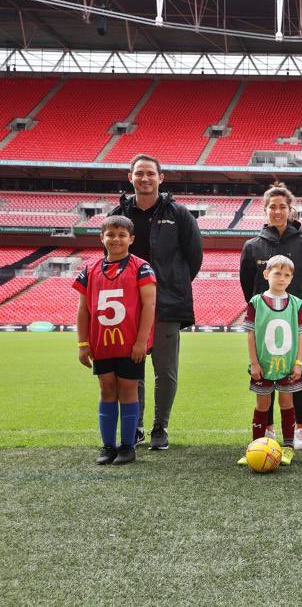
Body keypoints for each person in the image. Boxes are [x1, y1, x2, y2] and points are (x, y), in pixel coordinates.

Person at [109, 154, 202, 451]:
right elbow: (110, 254)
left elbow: (194, 257)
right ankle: (134, 426)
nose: (145, 178)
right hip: (127, 305)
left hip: (167, 303)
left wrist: (172, 284)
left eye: (150, 173)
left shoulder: (179, 214)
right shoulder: (119, 213)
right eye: (139, 174)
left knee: (165, 370)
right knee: (131, 369)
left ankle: (160, 427)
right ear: (130, 177)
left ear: (161, 178)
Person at [240, 183, 302, 450]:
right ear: (265, 210)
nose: (277, 211)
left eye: (282, 206)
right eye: (272, 206)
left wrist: (294, 312)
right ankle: (269, 430)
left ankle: (299, 430)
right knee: (266, 377)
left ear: (290, 209)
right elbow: (247, 286)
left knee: (296, 375)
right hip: (265, 325)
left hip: (295, 323)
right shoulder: (252, 247)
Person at [74, 216, 157, 466]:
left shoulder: (142, 267)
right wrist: (82, 343)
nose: (116, 239)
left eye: (122, 235)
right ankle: (108, 445)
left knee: (128, 390)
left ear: (131, 239)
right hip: (101, 344)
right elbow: (83, 310)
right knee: (106, 389)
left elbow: (149, 305)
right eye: (110, 234)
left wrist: (142, 341)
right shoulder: (89, 269)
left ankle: (128, 446)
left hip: (130, 344)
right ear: (102, 238)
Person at [237, 255, 302, 468]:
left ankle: (287, 447)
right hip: (264, 364)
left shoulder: (296, 304)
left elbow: (300, 335)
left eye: (287, 275)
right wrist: (255, 363)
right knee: (262, 404)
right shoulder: (256, 302)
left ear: (291, 279)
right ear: (266, 274)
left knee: (286, 403)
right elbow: (250, 335)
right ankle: (255, 446)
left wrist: (298, 362)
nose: (282, 278)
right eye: (277, 273)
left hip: (286, 365)